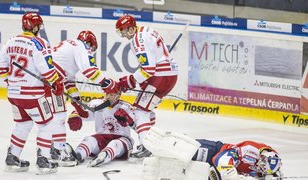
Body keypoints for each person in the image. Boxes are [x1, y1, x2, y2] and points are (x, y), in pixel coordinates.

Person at [0, 12, 63, 174]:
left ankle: (12, 158)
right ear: (36, 27)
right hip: (33, 95)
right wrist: (56, 83)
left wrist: (11, 82)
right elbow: (46, 69)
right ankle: (43, 161)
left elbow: (0, 67)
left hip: (13, 94)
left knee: (23, 124)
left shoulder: (10, 42)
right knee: (47, 124)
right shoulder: (39, 42)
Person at [114, 14, 178, 159]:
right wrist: (142, 79)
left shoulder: (137, 40)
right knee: (146, 110)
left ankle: (147, 146)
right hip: (169, 74)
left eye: (123, 31)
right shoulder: (145, 30)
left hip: (161, 76)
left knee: (140, 112)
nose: (123, 35)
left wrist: (129, 81)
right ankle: (149, 141)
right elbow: (152, 62)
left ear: (130, 29)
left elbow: (148, 69)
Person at [49, 30, 115, 166]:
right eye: (92, 48)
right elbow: (89, 70)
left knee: (51, 117)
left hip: (50, 78)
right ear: (89, 43)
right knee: (59, 116)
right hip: (53, 80)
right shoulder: (81, 46)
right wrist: (107, 84)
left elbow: (69, 83)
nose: (91, 51)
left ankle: (52, 147)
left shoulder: (70, 47)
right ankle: (59, 149)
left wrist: (77, 105)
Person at [143, 127, 283, 180]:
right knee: (185, 151)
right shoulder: (250, 150)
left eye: (264, 168)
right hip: (214, 152)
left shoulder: (271, 164)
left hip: (220, 173)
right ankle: (157, 147)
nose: (260, 167)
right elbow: (219, 159)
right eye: (261, 163)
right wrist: (233, 176)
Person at [66, 91, 134, 167]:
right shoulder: (97, 104)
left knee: (115, 143)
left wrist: (128, 119)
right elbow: (83, 113)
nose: (107, 96)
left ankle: (104, 155)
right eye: (106, 93)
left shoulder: (126, 107)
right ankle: (77, 155)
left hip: (122, 140)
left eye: (111, 94)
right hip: (102, 139)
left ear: (118, 95)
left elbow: (137, 124)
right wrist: (75, 116)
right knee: (89, 140)